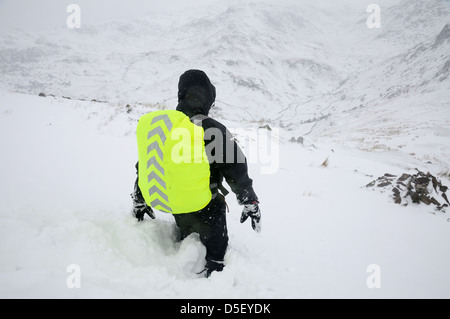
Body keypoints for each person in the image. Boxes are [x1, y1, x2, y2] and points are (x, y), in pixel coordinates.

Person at [131, 70, 261, 277]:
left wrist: (140, 197)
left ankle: (185, 241)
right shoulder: (210, 128)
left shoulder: (165, 126)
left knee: (187, 223)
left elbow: (148, 164)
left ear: (181, 94)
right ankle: (216, 267)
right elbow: (235, 166)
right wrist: (249, 201)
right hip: (205, 205)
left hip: (172, 201)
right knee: (215, 236)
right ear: (208, 98)